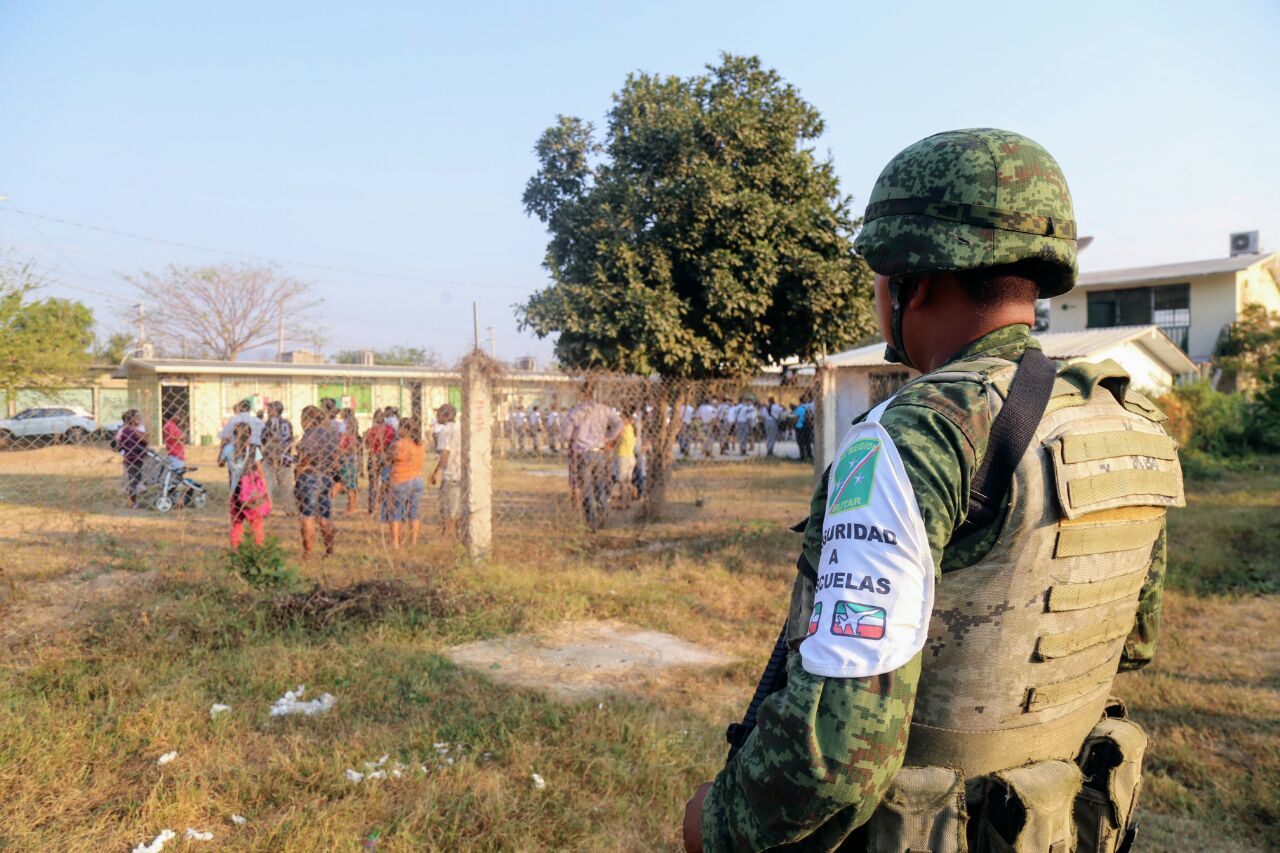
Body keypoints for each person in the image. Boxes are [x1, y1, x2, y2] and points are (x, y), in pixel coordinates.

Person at [684, 129, 1184, 853]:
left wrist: (720, 820)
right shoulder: (1127, 416)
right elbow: (1135, 642)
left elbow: (838, 752)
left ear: (911, 281)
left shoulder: (914, 434)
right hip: (1059, 827)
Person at [563, 381, 623, 531]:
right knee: (600, 487)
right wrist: (608, 437)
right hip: (599, 452)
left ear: (582, 393)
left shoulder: (576, 412)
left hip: (583, 453)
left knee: (587, 489)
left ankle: (592, 522)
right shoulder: (604, 410)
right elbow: (619, 423)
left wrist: (572, 438)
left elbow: (566, 435)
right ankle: (603, 514)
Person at [293, 405, 339, 558]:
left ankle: (308, 553)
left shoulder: (309, 435)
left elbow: (307, 456)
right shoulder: (330, 435)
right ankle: (329, 551)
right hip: (326, 476)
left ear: (307, 420)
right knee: (325, 516)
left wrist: (299, 468)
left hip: (309, 476)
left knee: (308, 516)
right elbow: (336, 459)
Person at [219, 422, 268, 547]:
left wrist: (223, 445)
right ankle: (257, 546)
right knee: (256, 522)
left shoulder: (228, 448)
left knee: (237, 522)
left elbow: (220, 463)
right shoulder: (253, 449)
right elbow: (259, 471)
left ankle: (236, 547)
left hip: (235, 491)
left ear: (234, 434)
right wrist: (265, 491)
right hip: (251, 492)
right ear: (250, 435)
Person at [383, 416, 426, 547]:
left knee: (396, 511)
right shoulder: (421, 444)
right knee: (414, 512)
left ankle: (396, 542)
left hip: (401, 480)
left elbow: (387, 460)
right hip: (417, 480)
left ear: (405, 429)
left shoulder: (398, 444)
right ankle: (413, 542)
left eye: (399, 427)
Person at [430, 403, 462, 538]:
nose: (437, 416)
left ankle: (445, 534)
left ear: (447, 415)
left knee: (446, 508)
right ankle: (458, 534)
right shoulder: (461, 429)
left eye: (439, 414)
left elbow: (444, 454)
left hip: (450, 475)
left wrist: (435, 472)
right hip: (462, 473)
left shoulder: (445, 431)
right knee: (459, 508)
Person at [261, 401, 294, 514]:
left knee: (267, 484)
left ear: (275, 410)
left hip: (270, 456)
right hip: (284, 457)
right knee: (286, 485)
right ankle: (289, 509)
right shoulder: (287, 423)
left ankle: (266, 509)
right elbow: (290, 439)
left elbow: (264, 438)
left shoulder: (270, 422)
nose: (268, 412)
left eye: (270, 409)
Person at [364, 408, 396, 515]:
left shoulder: (370, 431)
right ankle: (386, 506)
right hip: (386, 456)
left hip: (373, 456)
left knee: (373, 483)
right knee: (386, 482)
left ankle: (372, 508)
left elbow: (367, 446)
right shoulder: (390, 430)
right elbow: (393, 444)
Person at [116, 409, 148, 508]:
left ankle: (133, 498)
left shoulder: (135, 429)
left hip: (138, 457)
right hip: (132, 458)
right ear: (132, 419)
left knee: (136, 479)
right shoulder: (128, 430)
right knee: (133, 480)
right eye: (137, 417)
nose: (139, 419)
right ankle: (132, 502)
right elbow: (144, 440)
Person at [334, 408, 361, 514]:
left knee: (348, 485)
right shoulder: (351, 437)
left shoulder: (348, 438)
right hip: (348, 461)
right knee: (348, 485)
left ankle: (351, 508)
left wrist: (340, 453)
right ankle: (351, 507)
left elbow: (347, 450)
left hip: (347, 462)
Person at [613, 412, 638, 509]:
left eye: (622, 418)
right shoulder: (631, 428)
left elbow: (615, 438)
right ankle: (628, 502)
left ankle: (623, 503)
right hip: (631, 456)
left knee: (622, 482)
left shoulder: (623, 428)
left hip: (623, 457)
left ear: (627, 419)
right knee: (628, 481)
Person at [793, 395, 814, 462]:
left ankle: (802, 456)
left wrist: (794, 424)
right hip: (807, 427)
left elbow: (795, 419)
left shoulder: (798, 409)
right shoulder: (808, 408)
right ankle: (809, 455)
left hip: (799, 427)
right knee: (807, 442)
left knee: (801, 442)